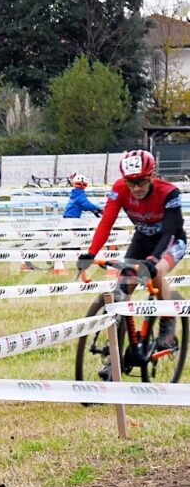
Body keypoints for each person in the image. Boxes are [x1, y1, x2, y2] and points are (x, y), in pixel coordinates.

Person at [77, 149, 186, 349]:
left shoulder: (169, 192)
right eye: (130, 182)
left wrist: (153, 260)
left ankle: (168, 320)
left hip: (170, 241)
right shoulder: (119, 189)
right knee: (123, 288)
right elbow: (106, 223)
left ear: (152, 176)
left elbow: (170, 232)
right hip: (142, 240)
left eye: (141, 181)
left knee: (156, 272)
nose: (136, 188)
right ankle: (117, 348)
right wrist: (91, 253)